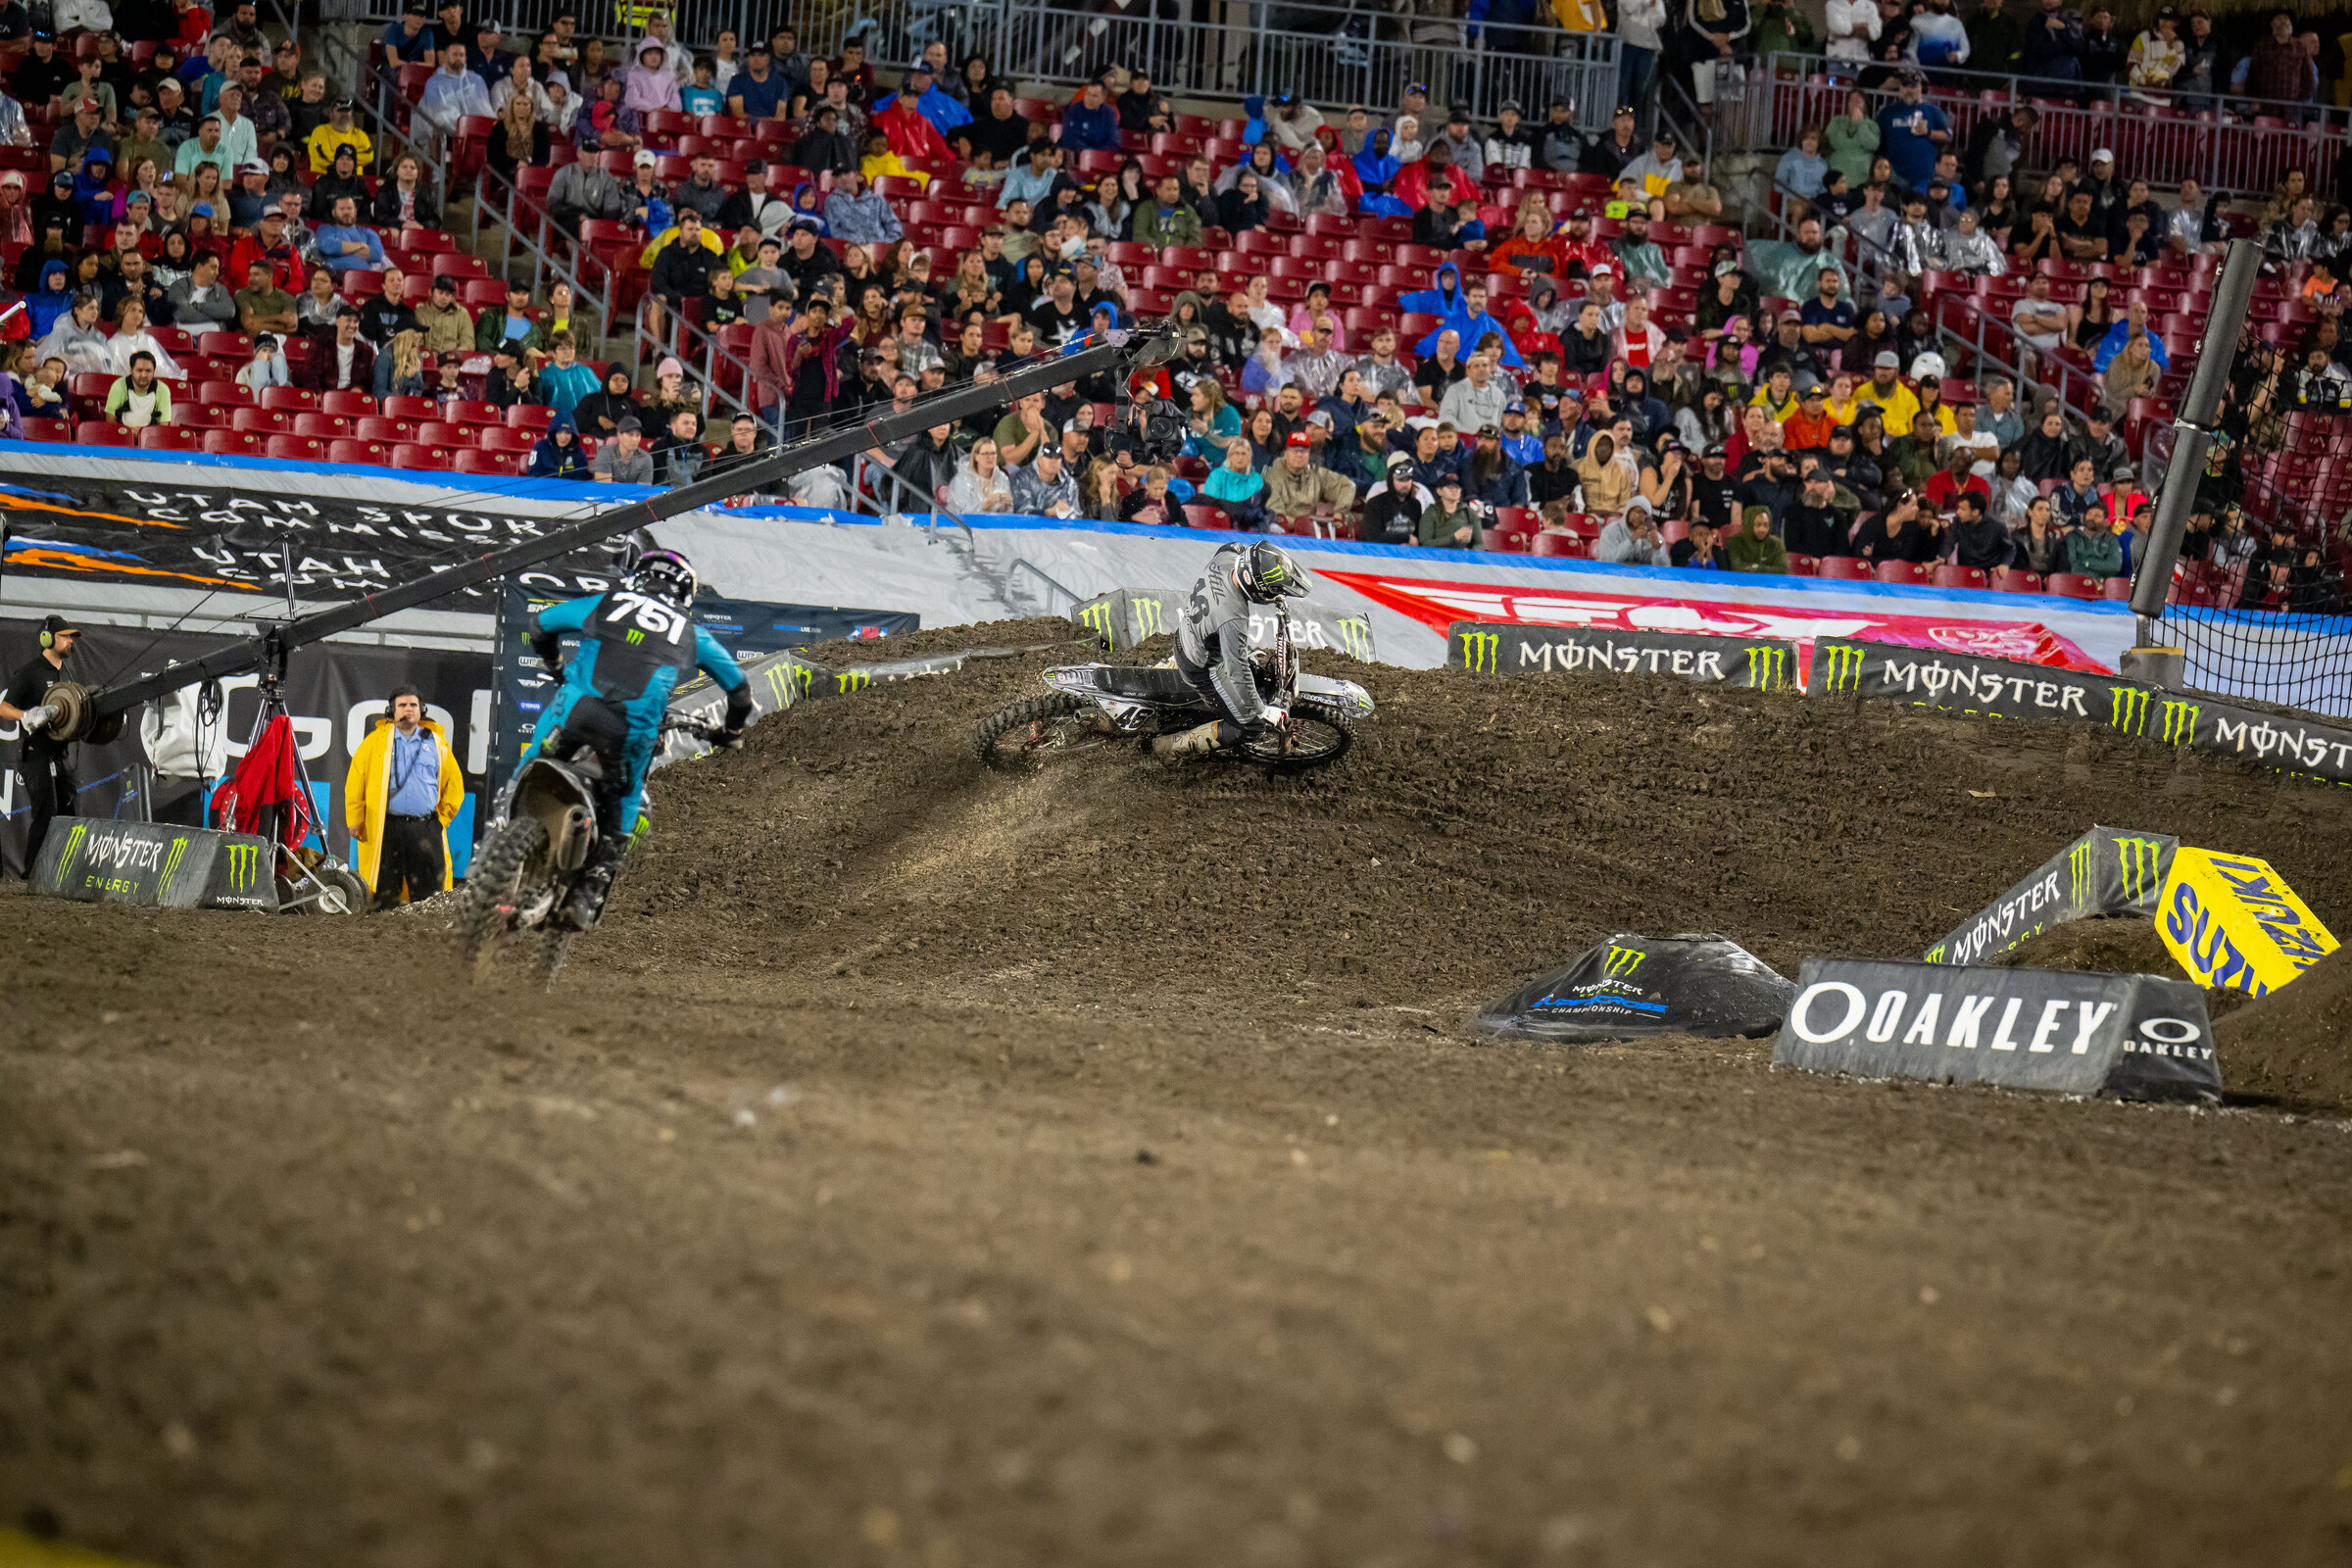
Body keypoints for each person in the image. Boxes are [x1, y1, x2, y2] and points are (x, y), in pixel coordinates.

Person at [525, 549, 750, 929]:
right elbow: (740, 691)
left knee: (534, 761)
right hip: (629, 728)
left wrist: (554, 665)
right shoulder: (690, 631)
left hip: (576, 710)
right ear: (686, 593)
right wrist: (730, 732)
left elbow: (541, 625)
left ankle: (504, 820)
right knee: (625, 798)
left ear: (638, 575)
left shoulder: (607, 602)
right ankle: (589, 889)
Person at [1151, 540, 1309, 759]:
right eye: (1271, 591)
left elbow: (1238, 548)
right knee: (1251, 727)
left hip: (1187, 636)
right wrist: (1263, 711)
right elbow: (1238, 672)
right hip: (1200, 668)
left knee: (1241, 655)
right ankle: (1173, 746)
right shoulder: (1234, 619)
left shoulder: (1226, 557)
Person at [343, 685, 462, 910]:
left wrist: (441, 821)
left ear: (421, 709)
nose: (408, 709)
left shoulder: (438, 743)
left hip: (426, 828)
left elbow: (454, 785)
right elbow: (355, 781)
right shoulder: (374, 742)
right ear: (392, 710)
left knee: (430, 895)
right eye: (402, 705)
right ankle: (381, 940)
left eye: (413, 705)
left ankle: (425, 940)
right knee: (384, 893)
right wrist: (355, 819)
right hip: (387, 829)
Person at [3, 614, 84, 869]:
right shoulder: (29, 672)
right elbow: (3, 707)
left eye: (71, 637)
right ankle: (33, 872)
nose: (70, 641)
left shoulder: (68, 676)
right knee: (45, 812)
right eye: (65, 636)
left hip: (59, 755)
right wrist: (26, 716)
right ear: (47, 639)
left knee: (68, 812)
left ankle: (61, 871)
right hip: (35, 753)